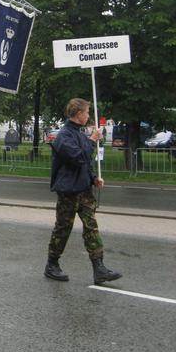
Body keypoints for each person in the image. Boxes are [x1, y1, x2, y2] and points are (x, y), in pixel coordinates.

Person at [44, 98, 122, 285]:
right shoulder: (64, 136)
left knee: (91, 228)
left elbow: (86, 162)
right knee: (63, 229)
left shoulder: (79, 133)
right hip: (68, 191)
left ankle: (99, 268)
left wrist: (94, 177)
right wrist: (92, 140)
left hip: (84, 190)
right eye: (87, 112)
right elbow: (77, 157)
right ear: (78, 113)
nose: (88, 115)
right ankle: (52, 264)